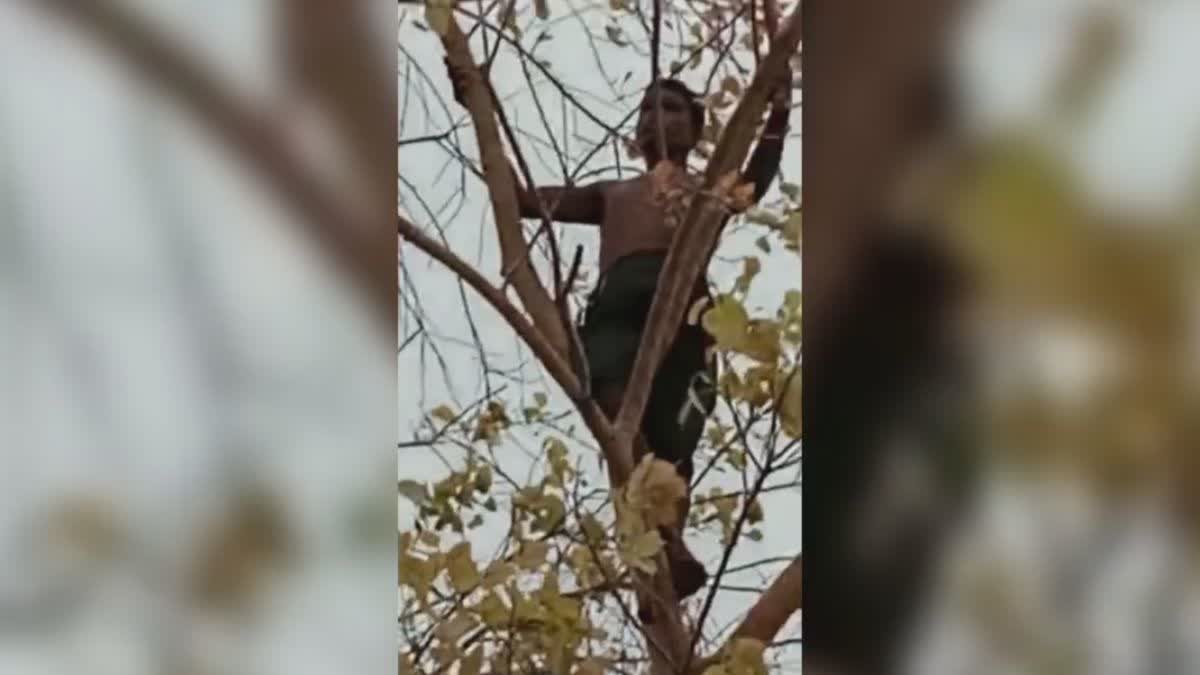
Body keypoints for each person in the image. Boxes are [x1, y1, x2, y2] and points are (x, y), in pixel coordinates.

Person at [445, 58, 792, 602]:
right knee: (612, 403)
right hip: (615, 306)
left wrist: (779, 108)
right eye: (647, 107)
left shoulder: (708, 189)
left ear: (697, 128)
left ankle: (664, 554)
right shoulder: (611, 193)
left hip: (687, 310)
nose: (657, 116)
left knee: (674, 443)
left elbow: (756, 177)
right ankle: (658, 551)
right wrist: (477, 105)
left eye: (672, 108)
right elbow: (523, 200)